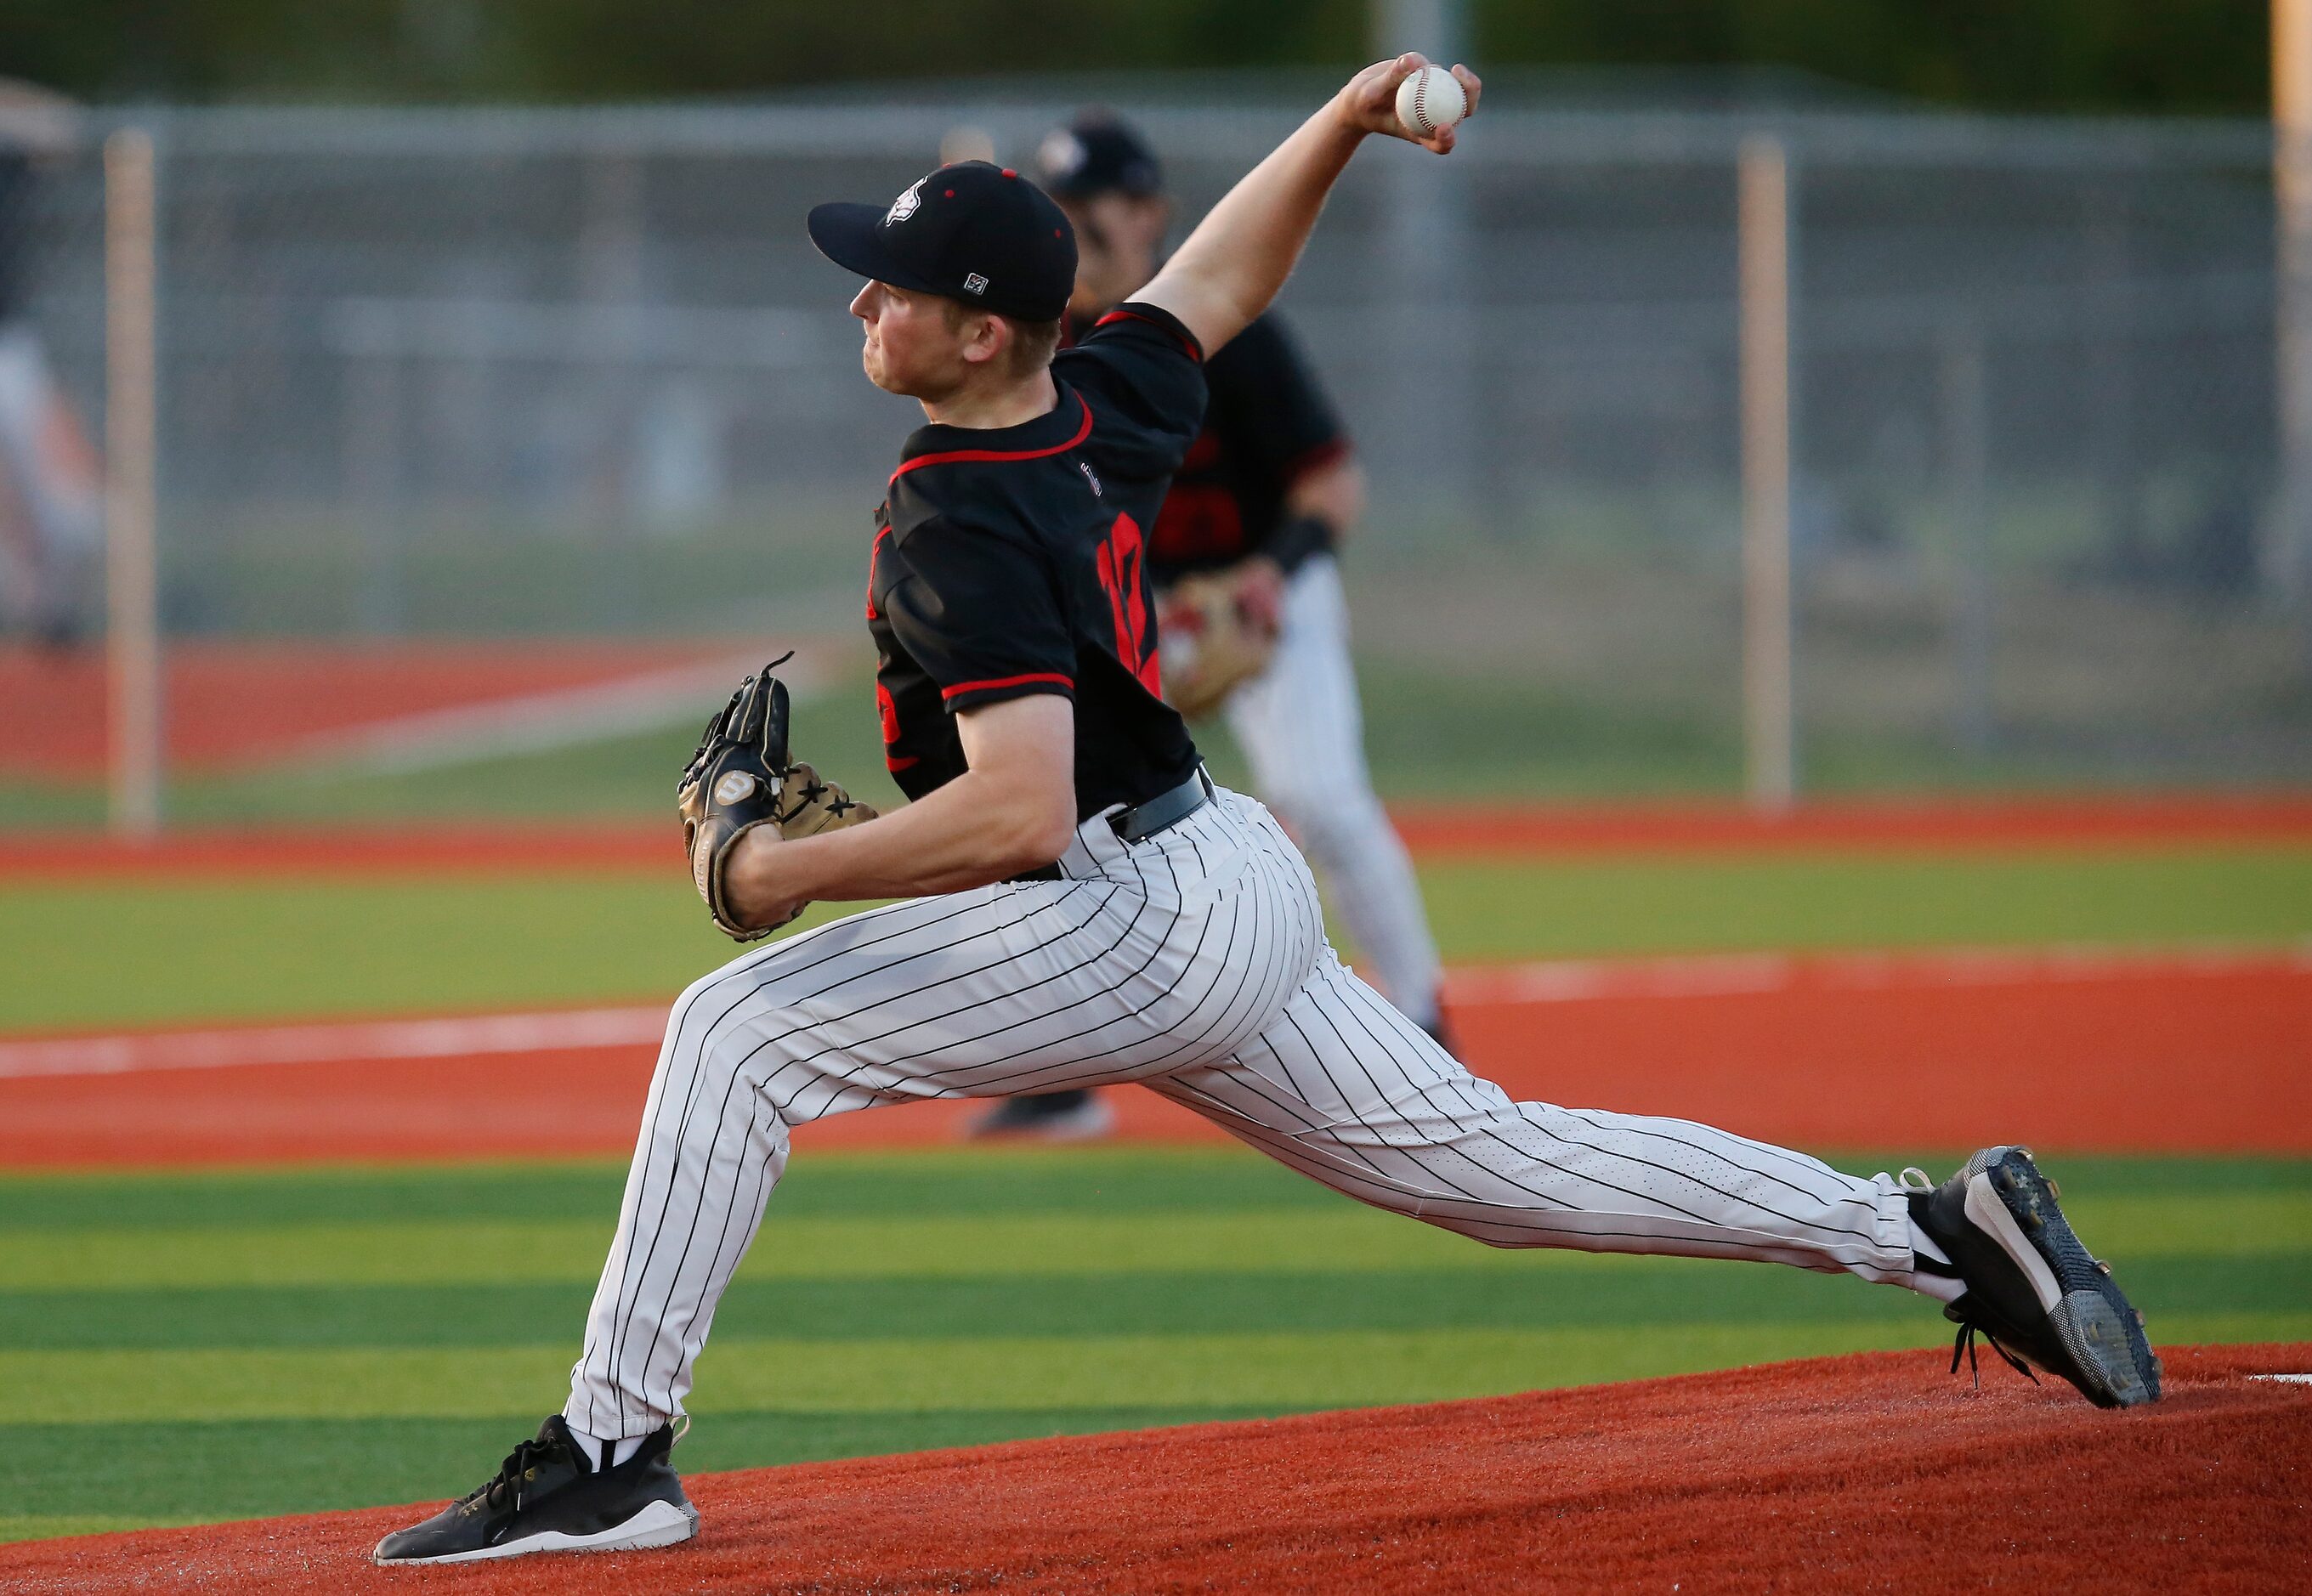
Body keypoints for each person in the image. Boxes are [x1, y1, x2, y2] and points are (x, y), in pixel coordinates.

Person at [372, 54, 2157, 1567]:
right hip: (1219, 878)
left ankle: (609, 1458)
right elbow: (1218, 282)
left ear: (981, 327)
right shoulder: (1087, 395)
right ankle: (1926, 1230)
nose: (860, 301)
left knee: (731, 1034)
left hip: (1125, 913)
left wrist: (774, 873)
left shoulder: (950, 511)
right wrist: (1346, 112)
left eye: (891, 284)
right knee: (1496, 1164)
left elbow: (1013, 812)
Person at [971, 112, 1453, 1141]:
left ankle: (1423, 1021)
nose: (1075, 229)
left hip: (1257, 592)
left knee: (1318, 795)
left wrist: (1268, 577)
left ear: (1150, 214)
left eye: (1092, 206)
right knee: (1052, 813)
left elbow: (1331, 485)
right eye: (1056, 210)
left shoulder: (1213, 328)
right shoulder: (1040, 345)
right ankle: (1059, 1075)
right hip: (1132, 611)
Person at [0, 73, 102, 648]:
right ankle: (27, 602)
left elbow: (65, 129)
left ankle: (58, 605)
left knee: (75, 494)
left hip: (3, 341)